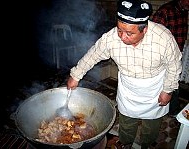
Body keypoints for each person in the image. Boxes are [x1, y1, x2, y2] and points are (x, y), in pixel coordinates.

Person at [67, 0, 182, 148]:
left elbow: (174, 64)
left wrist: (168, 90)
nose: (122, 37)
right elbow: (93, 54)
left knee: (151, 123)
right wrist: (76, 75)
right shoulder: (111, 37)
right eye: (120, 30)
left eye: (129, 33)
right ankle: (125, 141)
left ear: (144, 29)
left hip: (155, 87)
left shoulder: (163, 38)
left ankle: (147, 143)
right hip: (128, 88)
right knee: (127, 120)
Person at [152, 0, 189, 116]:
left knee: (173, 82)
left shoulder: (184, 10)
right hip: (164, 56)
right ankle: (168, 110)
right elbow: (152, 36)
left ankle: (171, 109)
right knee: (168, 83)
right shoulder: (165, 11)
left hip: (176, 54)